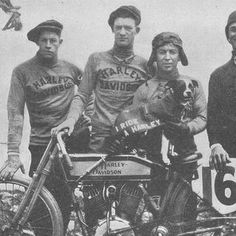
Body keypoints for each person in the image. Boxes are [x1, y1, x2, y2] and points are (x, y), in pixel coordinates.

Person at [0, 19, 92, 232]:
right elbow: (15, 113)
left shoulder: (71, 68)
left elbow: (89, 92)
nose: (48, 45)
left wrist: (88, 117)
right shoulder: (22, 72)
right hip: (44, 144)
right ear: (37, 43)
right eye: (44, 41)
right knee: (42, 204)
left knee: (80, 194)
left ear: (60, 42)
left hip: (75, 140)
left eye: (53, 40)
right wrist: (13, 154)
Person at [52, 5, 149, 153]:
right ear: (112, 29)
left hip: (132, 136)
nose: (122, 32)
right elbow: (82, 95)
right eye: (118, 27)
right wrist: (71, 120)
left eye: (128, 28)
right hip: (100, 137)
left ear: (137, 30)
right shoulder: (97, 59)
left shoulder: (145, 65)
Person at [133, 32, 207, 172]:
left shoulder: (192, 85)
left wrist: (187, 127)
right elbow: (134, 124)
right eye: (162, 52)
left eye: (172, 52)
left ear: (180, 56)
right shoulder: (144, 89)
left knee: (182, 193)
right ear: (155, 55)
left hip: (185, 154)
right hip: (152, 158)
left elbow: (202, 117)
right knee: (154, 193)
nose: (167, 57)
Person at [207, 10, 236, 172]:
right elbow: (213, 116)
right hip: (231, 157)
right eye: (233, 29)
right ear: (228, 36)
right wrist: (216, 146)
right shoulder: (218, 76)